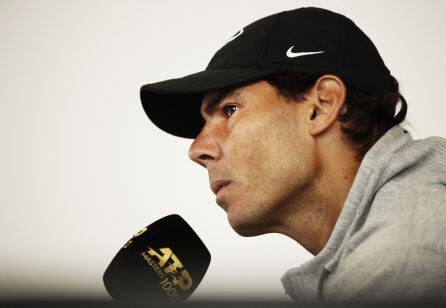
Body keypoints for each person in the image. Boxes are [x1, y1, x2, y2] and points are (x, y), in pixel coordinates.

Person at [139, 7, 446, 303]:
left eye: (230, 109)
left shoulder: (405, 251)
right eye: (205, 123)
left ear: (321, 106)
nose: (197, 149)